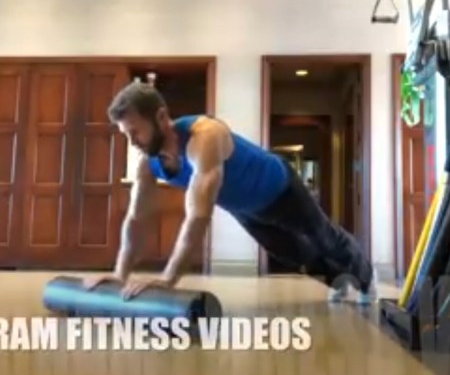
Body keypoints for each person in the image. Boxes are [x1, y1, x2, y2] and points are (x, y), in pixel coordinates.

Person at [83, 77, 377, 305]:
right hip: (246, 209)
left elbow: (197, 217)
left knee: (323, 236)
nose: (132, 141)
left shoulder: (204, 136)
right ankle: (339, 281)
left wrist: (168, 278)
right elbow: (136, 219)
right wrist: (120, 273)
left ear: (161, 117)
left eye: (135, 131)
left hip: (280, 187)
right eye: (126, 134)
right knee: (296, 256)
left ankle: (365, 279)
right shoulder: (149, 164)